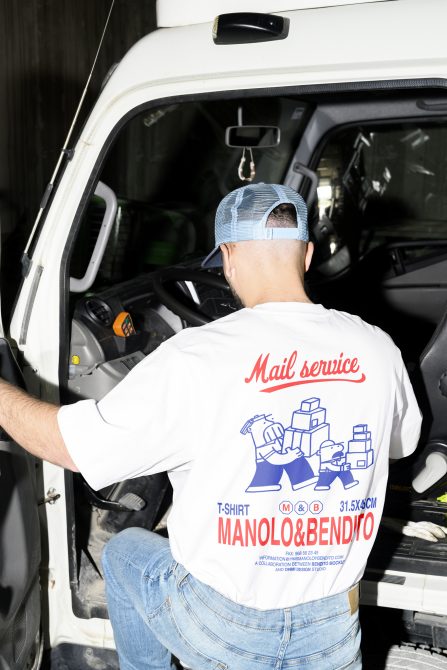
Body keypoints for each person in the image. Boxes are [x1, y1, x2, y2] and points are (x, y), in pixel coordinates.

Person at [0, 183, 421, 669]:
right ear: (306, 255)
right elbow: (398, 444)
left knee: (124, 553)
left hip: (222, 629)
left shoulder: (193, 356)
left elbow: (69, 447)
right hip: (332, 630)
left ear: (227, 257)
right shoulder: (376, 348)